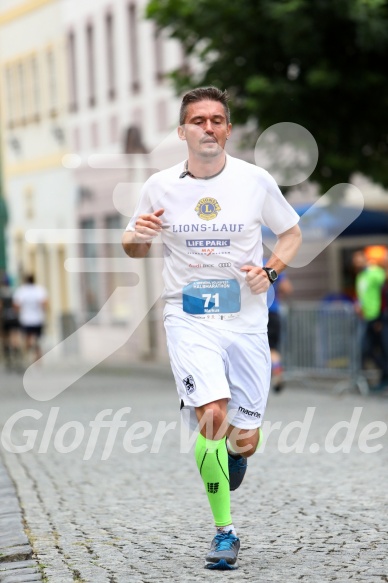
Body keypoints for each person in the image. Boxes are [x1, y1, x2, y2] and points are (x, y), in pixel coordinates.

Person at [122, 87, 302, 570]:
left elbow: (291, 232)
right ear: (182, 131)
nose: (208, 127)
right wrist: (136, 238)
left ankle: (234, 456)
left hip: (244, 320)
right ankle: (225, 533)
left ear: (226, 129)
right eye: (197, 120)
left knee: (243, 438)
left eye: (217, 119)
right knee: (212, 417)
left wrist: (270, 271)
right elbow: (134, 245)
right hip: (188, 315)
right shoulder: (160, 185)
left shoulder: (255, 180)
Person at [352, 247, 386, 389]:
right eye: (355, 261)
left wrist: (380, 317)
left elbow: (383, 293)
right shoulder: (360, 276)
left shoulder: (375, 272)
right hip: (366, 318)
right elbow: (362, 295)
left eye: (359, 259)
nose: (357, 263)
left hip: (377, 317)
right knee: (368, 349)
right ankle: (384, 375)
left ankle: (385, 376)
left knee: (380, 348)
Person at [266, 268, 293, 392]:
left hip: (252, 315)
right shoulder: (273, 265)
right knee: (273, 349)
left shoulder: (246, 263)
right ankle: (277, 369)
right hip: (273, 312)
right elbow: (287, 288)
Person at [13, 274, 48, 363]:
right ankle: (37, 355)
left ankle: (27, 354)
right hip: (37, 319)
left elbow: (16, 305)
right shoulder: (39, 290)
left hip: (26, 319)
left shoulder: (21, 290)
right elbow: (44, 304)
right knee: (37, 338)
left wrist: (20, 312)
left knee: (27, 338)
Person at [0, 273, 21, 369]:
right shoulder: (14, 292)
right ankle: (16, 353)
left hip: (4, 317)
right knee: (15, 336)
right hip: (13, 317)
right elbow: (17, 306)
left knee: (5, 337)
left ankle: (8, 356)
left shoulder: (1, 293)